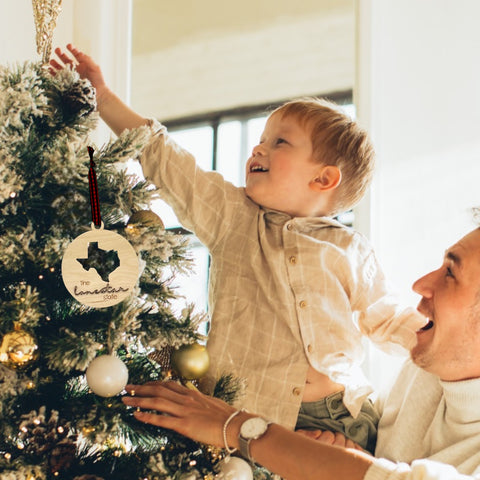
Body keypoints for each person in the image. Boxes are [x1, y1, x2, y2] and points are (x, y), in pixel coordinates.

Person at [50, 45, 426, 453]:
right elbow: (168, 160)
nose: (257, 149)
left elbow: (387, 319)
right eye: (261, 139)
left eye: (279, 142)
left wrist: (444, 341)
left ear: (323, 179)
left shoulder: (349, 248)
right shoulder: (234, 218)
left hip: (338, 416)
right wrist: (103, 96)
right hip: (245, 412)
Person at [122, 225, 480, 479]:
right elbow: (381, 463)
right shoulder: (427, 368)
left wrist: (234, 426)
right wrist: (350, 454)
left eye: (450, 273)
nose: (421, 285)